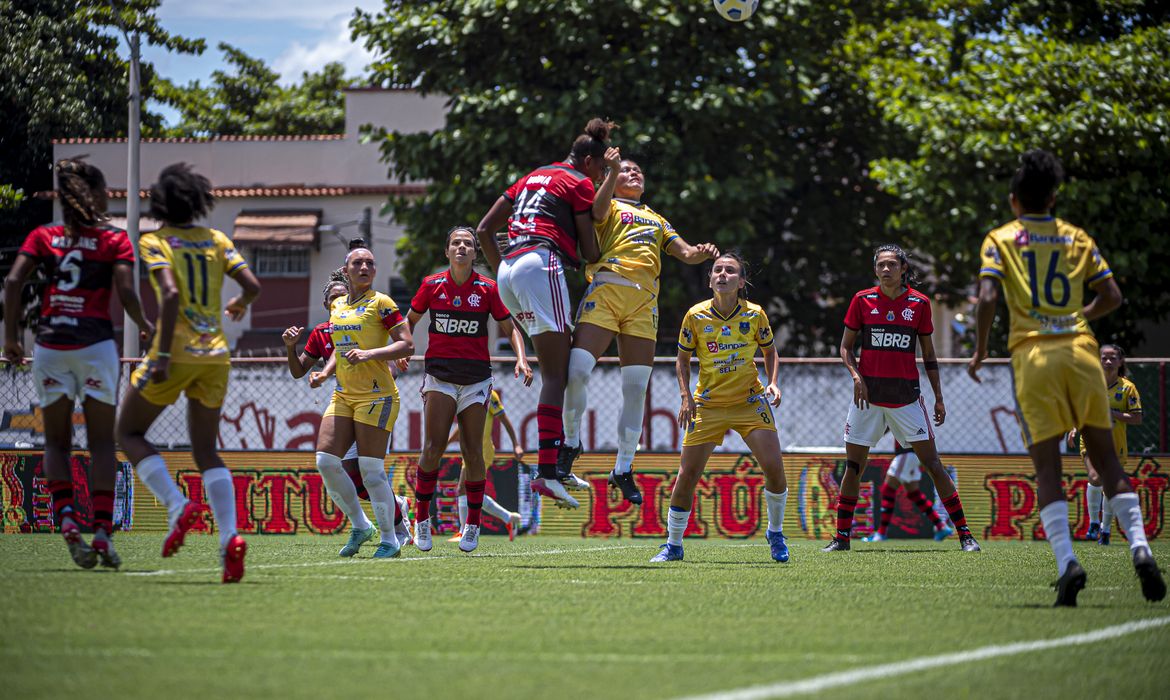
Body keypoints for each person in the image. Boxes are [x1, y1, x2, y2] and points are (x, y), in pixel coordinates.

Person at [969, 149, 1164, 606]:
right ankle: (1140, 549)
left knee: (1048, 467)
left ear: (1014, 200)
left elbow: (985, 297)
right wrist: (1077, 316)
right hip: (1081, 351)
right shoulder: (1076, 236)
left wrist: (980, 350)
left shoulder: (1000, 238)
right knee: (1108, 461)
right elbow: (1112, 295)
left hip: (1033, 355)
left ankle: (1067, 564)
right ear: (1054, 197)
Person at [3, 158, 152, 570]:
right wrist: (146, 326)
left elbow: (14, 281)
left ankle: (67, 520)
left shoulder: (44, 236)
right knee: (102, 442)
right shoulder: (113, 240)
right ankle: (103, 531)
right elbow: (127, 292)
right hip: (96, 345)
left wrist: (13, 338)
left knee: (55, 442)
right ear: (99, 195)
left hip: (52, 345)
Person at [115, 163, 261, 583]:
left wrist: (160, 354)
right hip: (214, 355)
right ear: (197, 200)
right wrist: (239, 305)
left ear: (159, 201)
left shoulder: (155, 241)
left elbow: (172, 293)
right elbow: (252, 285)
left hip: (174, 352)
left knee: (127, 434)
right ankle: (230, 538)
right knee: (206, 451)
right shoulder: (216, 239)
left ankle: (178, 506)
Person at [561, 150, 719, 505]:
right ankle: (570, 442)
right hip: (607, 289)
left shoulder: (656, 218)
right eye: (626, 170)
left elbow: (686, 253)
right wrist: (610, 171)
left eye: (638, 171)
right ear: (611, 177)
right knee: (577, 371)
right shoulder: (609, 204)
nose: (634, 174)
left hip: (643, 302)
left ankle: (623, 467)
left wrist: (701, 251)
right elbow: (596, 214)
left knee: (635, 389)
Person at [475, 118, 614, 508]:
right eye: (602, 169)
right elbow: (590, 252)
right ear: (589, 162)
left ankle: (557, 466)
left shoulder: (532, 175)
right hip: (540, 264)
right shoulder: (580, 182)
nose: (603, 176)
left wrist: (503, 270)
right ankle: (549, 472)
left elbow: (486, 229)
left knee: (560, 368)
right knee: (557, 374)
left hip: (508, 270)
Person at [824, 244, 980, 553]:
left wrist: (938, 398)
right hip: (867, 400)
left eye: (891, 265)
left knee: (934, 465)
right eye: (881, 265)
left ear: (903, 269)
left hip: (906, 398)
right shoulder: (862, 300)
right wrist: (856, 377)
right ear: (875, 270)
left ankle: (965, 535)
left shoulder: (919, 304)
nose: (885, 270)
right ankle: (842, 538)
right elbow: (845, 348)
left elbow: (929, 354)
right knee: (853, 467)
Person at [650, 252, 790, 563]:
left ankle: (776, 533)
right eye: (717, 270)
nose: (722, 274)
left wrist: (773, 382)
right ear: (710, 279)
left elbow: (770, 351)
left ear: (741, 282)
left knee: (775, 469)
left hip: (749, 401)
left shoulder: (755, 314)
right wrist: (686, 397)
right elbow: (682, 360)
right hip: (708, 405)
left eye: (730, 271)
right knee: (687, 475)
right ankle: (673, 545)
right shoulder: (695, 316)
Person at [403, 226, 531, 553]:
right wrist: (402, 347)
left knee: (473, 452)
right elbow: (409, 321)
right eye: (456, 243)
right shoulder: (431, 285)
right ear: (447, 251)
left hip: (476, 380)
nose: (462, 247)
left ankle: (472, 525)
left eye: (468, 244)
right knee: (432, 448)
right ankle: (421, 521)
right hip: (440, 377)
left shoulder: (488, 289)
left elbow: (509, 327)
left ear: (475, 253)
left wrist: (521, 358)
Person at [283, 271, 411, 555]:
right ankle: (364, 525)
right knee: (329, 464)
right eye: (333, 298)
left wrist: (389, 358)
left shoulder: (368, 316)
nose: (339, 301)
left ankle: (395, 532)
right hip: (344, 398)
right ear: (328, 304)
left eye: (342, 296)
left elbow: (389, 348)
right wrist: (293, 350)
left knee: (369, 473)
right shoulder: (321, 332)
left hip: (374, 399)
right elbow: (304, 369)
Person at [1070, 344, 1142, 545]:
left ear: (1120, 362)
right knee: (1095, 477)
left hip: (1115, 443)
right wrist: (1075, 428)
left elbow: (1137, 417)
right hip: (1090, 439)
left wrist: (1114, 414)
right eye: (1104, 358)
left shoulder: (1128, 388)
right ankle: (1094, 522)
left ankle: (1106, 530)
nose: (1108, 362)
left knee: (1109, 484)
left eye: (1113, 358)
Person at [447, 389, 526, 541]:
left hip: (482, 450)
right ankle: (508, 518)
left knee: (464, 488)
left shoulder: (489, 393)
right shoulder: (464, 392)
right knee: (470, 491)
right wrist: (446, 443)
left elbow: (504, 420)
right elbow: (461, 426)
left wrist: (516, 444)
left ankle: (464, 531)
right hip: (470, 449)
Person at [861, 440, 955, 542]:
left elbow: (888, 425)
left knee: (887, 491)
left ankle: (881, 533)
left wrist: (869, 436)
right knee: (914, 494)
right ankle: (940, 526)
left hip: (906, 454)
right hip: (912, 455)